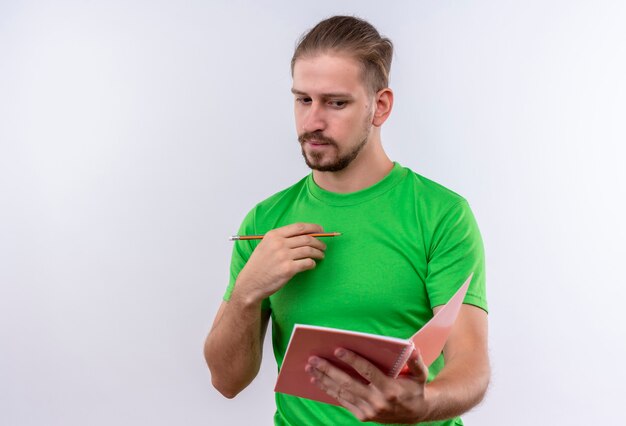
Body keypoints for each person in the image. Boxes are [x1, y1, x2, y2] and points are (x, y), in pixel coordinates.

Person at [204, 15, 490, 425]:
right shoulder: (266, 219)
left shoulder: (441, 214)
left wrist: (422, 404)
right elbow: (226, 381)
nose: (312, 122)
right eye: (303, 100)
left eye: (336, 102)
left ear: (381, 106)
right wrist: (247, 291)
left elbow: (472, 369)